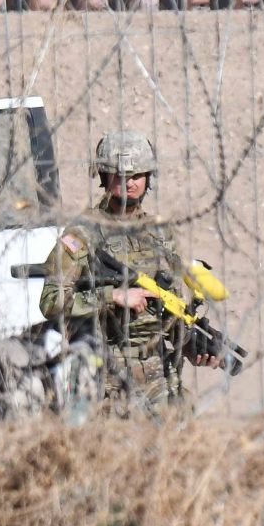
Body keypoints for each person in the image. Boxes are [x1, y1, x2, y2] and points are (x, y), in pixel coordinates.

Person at [38, 130, 219, 414]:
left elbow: (168, 311)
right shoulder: (83, 233)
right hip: (108, 383)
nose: (129, 183)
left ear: (148, 178)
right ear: (104, 177)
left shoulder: (160, 233)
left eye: (137, 175)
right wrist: (113, 296)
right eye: (119, 175)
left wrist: (194, 348)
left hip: (161, 379)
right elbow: (50, 300)